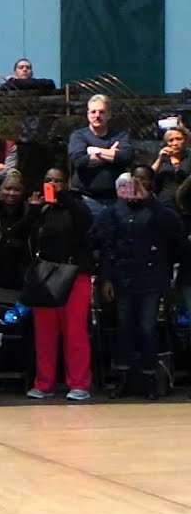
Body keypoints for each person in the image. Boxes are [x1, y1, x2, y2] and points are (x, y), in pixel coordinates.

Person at [5, 168, 94, 401]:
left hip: (74, 273)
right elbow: (15, 235)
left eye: (57, 181)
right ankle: (44, 383)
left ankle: (79, 383)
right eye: (48, 180)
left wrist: (64, 197)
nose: (52, 184)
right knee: (44, 334)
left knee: (75, 332)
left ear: (66, 183)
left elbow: (86, 223)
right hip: (45, 276)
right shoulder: (39, 208)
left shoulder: (76, 205)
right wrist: (33, 212)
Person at [96, 167, 183, 399]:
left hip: (151, 280)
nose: (139, 183)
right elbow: (105, 245)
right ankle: (123, 379)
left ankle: (150, 377)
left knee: (148, 328)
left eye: (144, 179)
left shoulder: (159, 210)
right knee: (124, 327)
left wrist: (150, 202)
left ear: (151, 183)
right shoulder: (115, 210)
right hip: (123, 279)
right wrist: (106, 278)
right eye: (136, 179)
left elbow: (174, 232)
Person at [68, 94, 134, 216]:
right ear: (88, 114)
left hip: (116, 200)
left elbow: (126, 157)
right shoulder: (78, 136)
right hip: (86, 200)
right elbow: (79, 161)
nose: (97, 116)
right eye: (93, 112)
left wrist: (94, 151)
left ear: (109, 115)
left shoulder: (120, 136)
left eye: (102, 112)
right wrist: (111, 154)